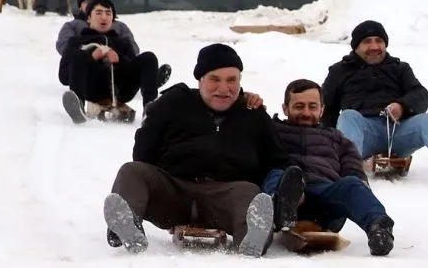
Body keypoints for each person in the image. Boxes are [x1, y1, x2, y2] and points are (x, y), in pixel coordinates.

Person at [103, 44, 291, 257]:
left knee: (249, 193)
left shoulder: (254, 115)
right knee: (132, 171)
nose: (224, 88)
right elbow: (144, 151)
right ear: (200, 80)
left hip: (225, 195)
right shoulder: (173, 103)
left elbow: (277, 160)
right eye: (215, 79)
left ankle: (251, 240)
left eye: (232, 80)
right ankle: (127, 228)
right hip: (174, 191)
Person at [261, 79, 396, 256]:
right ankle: (273, 210)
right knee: (276, 174)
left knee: (352, 184)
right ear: (285, 108)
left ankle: (379, 228)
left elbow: (353, 167)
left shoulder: (337, 138)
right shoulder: (272, 130)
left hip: (325, 197)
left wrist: (360, 188)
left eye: (312, 106)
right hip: (288, 193)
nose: (306, 113)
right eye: (299, 106)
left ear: (322, 109)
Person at [321, 20, 428, 180]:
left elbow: (420, 94)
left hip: (398, 132)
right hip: (361, 135)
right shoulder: (339, 71)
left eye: (379, 41)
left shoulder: (399, 68)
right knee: (348, 116)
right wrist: (326, 145)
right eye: (367, 42)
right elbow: (326, 108)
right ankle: (350, 168)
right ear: (356, 46)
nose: (374, 47)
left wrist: (402, 106)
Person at [58, 0, 163, 123]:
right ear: (88, 18)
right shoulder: (76, 41)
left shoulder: (123, 42)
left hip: (121, 88)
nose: (104, 17)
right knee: (79, 55)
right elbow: (63, 76)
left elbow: (132, 68)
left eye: (108, 13)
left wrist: (119, 59)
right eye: (98, 13)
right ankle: (78, 107)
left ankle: (150, 110)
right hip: (92, 87)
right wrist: (91, 57)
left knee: (148, 57)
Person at [56, 0, 170, 86]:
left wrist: (116, 53)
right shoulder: (73, 25)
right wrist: (90, 53)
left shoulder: (118, 26)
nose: (91, 4)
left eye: (95, 1)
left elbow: (132, 46)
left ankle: (149, 80)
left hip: (116, 66)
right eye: (87, 2)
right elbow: (65, 46)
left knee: (143, 60)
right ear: (80, 6)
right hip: (88, 66)